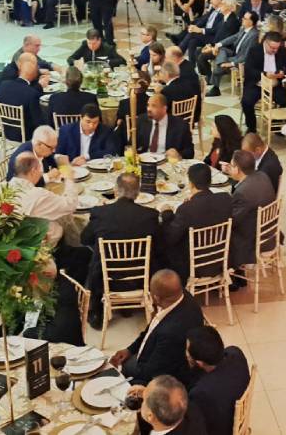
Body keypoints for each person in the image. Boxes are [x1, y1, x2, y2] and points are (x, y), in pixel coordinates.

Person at [81, 173, 162, 327]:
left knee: (95, 254)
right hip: (140, 278)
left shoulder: (100, 213)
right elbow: (159, 246)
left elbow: (84, 239)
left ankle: (96, 310)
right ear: (137, 193)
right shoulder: (150, 216)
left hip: (106, 278)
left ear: (116, 191)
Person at [108, 268, 203, 384]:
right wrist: (130, 349)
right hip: (156, 354)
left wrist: (120, 370)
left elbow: (150, 372)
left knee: (118, 372)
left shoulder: (171, 332)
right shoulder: (179, 296)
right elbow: (152, 329)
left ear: (156, 298)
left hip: (163, 375)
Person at [161, 164, 233, 282]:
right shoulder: (225, 198)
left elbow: (170, 238)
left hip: (195, 266)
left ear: (191, 183)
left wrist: (166, 213)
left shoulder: (186, 209)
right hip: (221, 259)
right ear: (210, 181)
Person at [184, 326, 250, 435]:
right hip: (232, 414)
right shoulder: (235, 353)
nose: (186, 353)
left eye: (187, 351)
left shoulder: (201, 393)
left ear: (200, 363)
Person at [8, 153, 81, 248]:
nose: (41, 173)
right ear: (33, 171)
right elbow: (70, 204)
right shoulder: (38, 195)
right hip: (45, 247)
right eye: (40, 169)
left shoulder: (1, 187)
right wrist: (69, 179)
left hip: (10, 242)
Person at [227, 150, 277, 281]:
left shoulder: (242, 192)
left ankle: (225, 276)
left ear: (237, 169)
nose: (230, 168)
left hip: (253, 239)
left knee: (217, 234)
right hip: (270, 231)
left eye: (231, 165)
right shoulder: (262, 175)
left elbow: (232, 221)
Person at [241, 32, 286, 133]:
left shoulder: (281, 50)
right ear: (265, 43)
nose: (275, 50)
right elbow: (249, 70)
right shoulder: (254, 50)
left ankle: (276, 125)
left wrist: (283, 72)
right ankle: (251, 127)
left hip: (274, 85)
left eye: (277, 48)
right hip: (257, 84)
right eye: (272, 48)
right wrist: (265, 74)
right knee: (246, 102)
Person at [202, 11, 259, 96]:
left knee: (218, 66)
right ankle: (221, 63)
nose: (242, 19)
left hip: (240, 59)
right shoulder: (243, 29)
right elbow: (233, 37)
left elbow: (246, 56)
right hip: (234, 53)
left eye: (245, 18)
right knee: (221, 50)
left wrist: (231, 63)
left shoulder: (254, 35)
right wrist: (218, 44)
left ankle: (216, 88)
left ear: (251, 22)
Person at [0, 53, 50, 141]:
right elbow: (38, 122)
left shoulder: (3, 84)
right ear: (34, 73)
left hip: (6, 131)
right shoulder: (32, 94)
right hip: (24, 136)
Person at [136, 94, 195, 159]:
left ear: (164, 109)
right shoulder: (141, 121)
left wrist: (179, 155)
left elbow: (190, 151)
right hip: (144, 160)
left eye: (154, 106)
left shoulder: (180, 125)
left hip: (167, 161)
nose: (149, 109)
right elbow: (131, 145)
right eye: (148, 105)